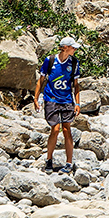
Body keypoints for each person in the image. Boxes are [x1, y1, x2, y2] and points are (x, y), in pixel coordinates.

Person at [34, 37, 81, 173]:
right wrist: (36, 98)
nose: (75, 50)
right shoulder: (50, 60)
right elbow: (41, 80)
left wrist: (77, 103)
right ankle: (49, 159)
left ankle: (68, 163)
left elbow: (76, 85)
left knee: (67, 129)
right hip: (51, 98)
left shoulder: (74, 63)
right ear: (65, 47)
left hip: (67, 99)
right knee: (55, 129)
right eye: (73, 47)